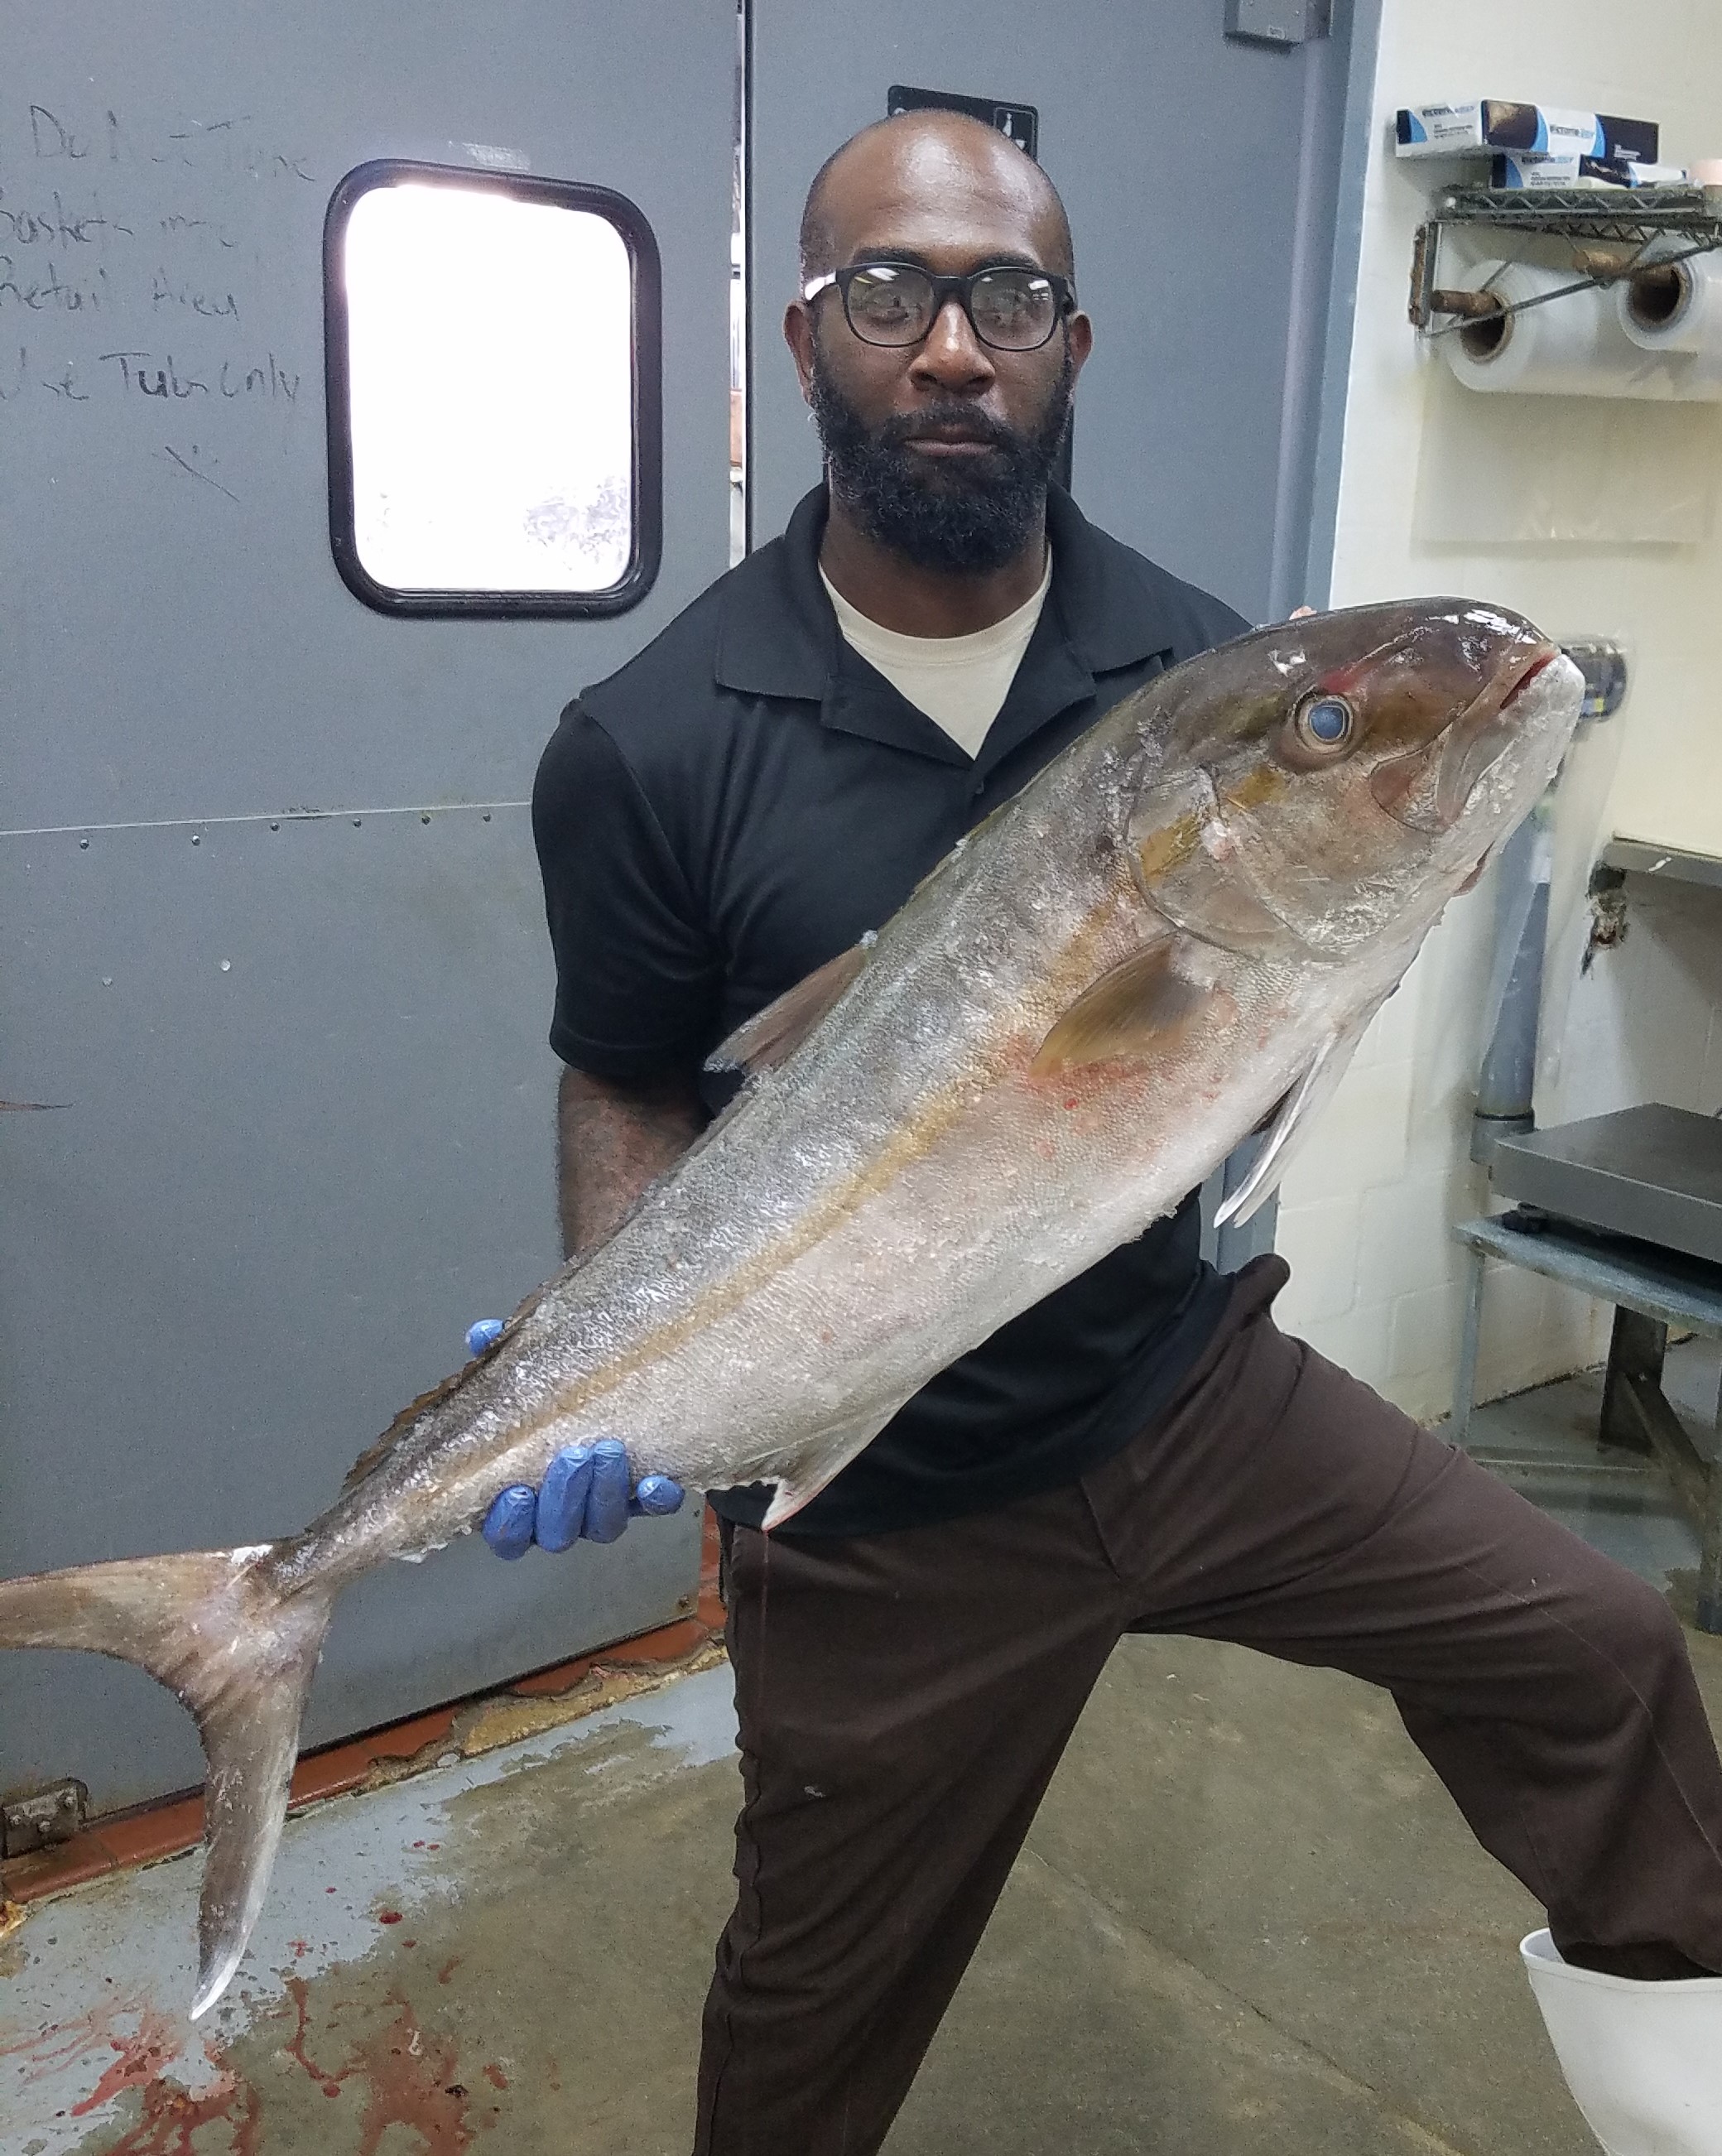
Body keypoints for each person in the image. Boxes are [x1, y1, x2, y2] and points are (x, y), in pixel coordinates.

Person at [487, 110, 1722, 2155]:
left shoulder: (1193, 670)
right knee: (805, 2028)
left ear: (1073, 342)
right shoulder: (648, 741)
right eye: (891, 294)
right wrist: (616, 1337)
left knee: (1594, 1654)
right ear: (808, 337)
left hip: (1181, 1398)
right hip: (884, 1506)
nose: (951, 347)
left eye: (1009, 296)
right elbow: (624, 1075)